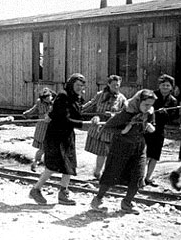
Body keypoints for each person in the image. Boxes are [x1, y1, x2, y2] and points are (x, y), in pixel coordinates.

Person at [29, 73, 97, 205]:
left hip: (67, 135)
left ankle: (63, 194)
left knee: (69, 165)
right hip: (56, 135)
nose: (79, 88)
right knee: (53, 165)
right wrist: (84, 125)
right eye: (77, 85)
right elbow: (66, 118)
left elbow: (78, 115)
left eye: (82, 86)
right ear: (71, 84)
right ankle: (35, 189)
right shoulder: (63, 96)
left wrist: (91, 121)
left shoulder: (76, 98)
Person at [91, 89, 157, 215]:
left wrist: (151, 128)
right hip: (120, 148)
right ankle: (97, 199)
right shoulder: (126, 113)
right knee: (112, 173)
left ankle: (127, 203)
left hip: (139, 148)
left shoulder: (149, 112)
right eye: (146, 104)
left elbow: (152, 124)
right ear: (138, 102)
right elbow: (107, 127)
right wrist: (122, 131)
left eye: (151, 105)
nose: (149, 107)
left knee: (138, 175)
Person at [82, 75, 127, 179]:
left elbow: (125, 112)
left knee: (111, 153)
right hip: (99, 128)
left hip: (111, 128)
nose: (116, 87)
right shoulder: (100, 95)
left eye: (118, 85)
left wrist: (113, 115)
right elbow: (90, 105)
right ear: (108, 84)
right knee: (101, 152)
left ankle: (109, 174)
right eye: (114, 85)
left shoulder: (121, 98)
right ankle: (98, 173)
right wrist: (78, 109)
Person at [144, 74, 178, 187]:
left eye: (168, 85)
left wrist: (166, 113)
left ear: (171, 87)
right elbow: (145, 108)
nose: (165, 87)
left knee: (155, 155)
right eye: (163, 85)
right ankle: (138, 177)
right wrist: (156, 110)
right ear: (159, 86)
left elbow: (172, 118)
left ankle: (148, 178)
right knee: (145, 154)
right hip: (147, 128)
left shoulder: (172, 101)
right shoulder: (152, 96)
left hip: (160, 131)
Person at [22, 87, 55, 172]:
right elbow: (33, 110)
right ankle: (35, 163)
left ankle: (48, 166)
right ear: (42, 98)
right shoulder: (39, 103)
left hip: (52, 128)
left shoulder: (55, 103)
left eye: (49, 97)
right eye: (45, 98)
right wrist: (26, 114)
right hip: (43, 128)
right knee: (43, 148)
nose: (48, 99)